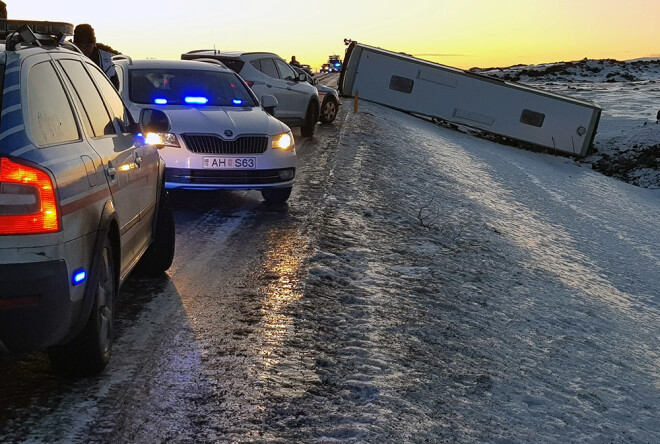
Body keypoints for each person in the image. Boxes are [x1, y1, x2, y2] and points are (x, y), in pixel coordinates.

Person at [73, 23, 119, 89]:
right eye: (80, 46)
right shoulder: (68, 59)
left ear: (94, 44)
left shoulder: (107, 62)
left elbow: (114, 88)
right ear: (75, 45)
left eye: (87, 46)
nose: (84, 50)